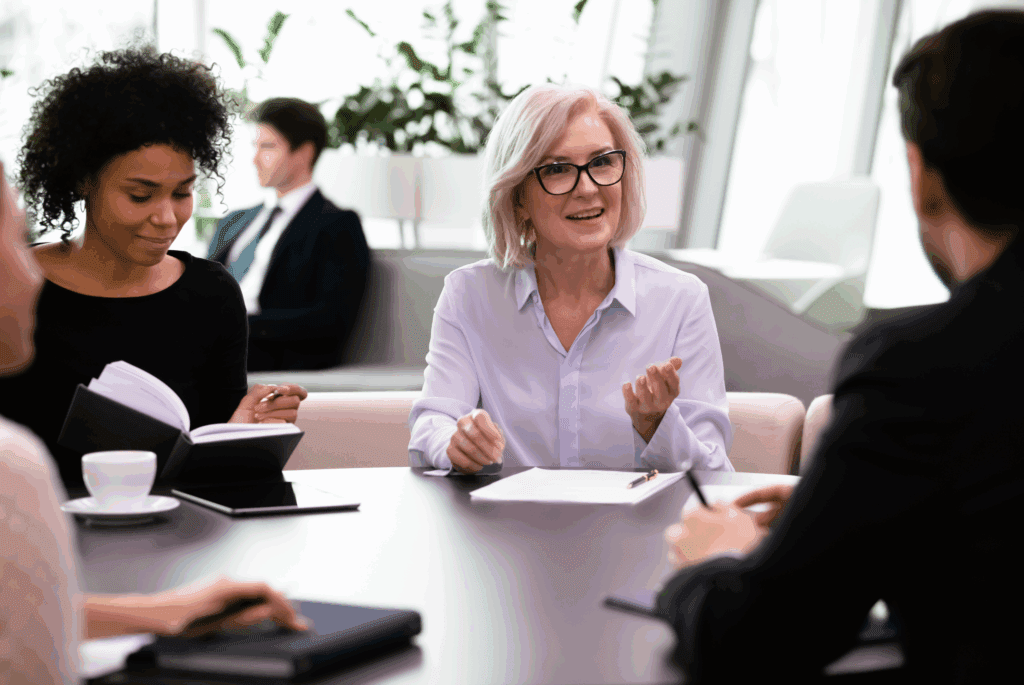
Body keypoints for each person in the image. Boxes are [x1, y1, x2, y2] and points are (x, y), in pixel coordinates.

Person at [657, 10, 1024, 682]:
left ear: (920, 174)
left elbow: (757, 637)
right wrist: (844, 509)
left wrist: (719, 560)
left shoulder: (921, 367)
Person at [0, 159, 307, 685]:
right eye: (16, 241)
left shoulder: (209, 291)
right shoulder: (12, 468)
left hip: (171, 557)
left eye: (183, 193)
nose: (32, 270)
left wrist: (161, 613)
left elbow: (18, 616)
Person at [0, 49, 306, 490]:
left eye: (182, 193)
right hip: (42, 536)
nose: (166, 218)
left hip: (177, 544)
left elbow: (207, 459)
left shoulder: (211, 294)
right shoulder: (18, 285)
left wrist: (241, 429)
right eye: (140, 195)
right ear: (84, 179)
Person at [408, 84, 733, 474]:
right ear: (518, 198)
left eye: (602, 163)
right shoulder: (469, 295)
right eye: (557, 170)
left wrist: (657, 427)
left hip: (636, 534)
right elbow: (432, 423)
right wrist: (455, 444)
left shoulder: (681, 300)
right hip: (504, 530)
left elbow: (714, 470)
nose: (588, 188)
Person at [207, 97, 371, 371]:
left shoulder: (337, 225)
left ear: (304, 153)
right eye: (255, 147)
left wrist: (235, 327)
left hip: (272, 352)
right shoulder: (234, 221)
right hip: (214, 343)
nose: (255, 159)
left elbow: (330, 320)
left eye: (268, 147)